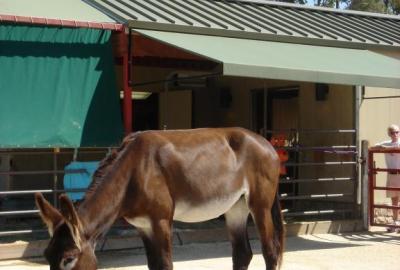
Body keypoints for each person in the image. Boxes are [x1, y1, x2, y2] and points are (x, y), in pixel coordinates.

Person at [374, 124, 400, 232]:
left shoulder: (397, 143)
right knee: (394, 199)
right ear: (389, 134)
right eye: (393, 132)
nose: (395, 134)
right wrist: (382, 147)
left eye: (397, 132)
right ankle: (396, 222)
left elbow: (397, 148)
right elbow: (373, 146)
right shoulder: (386, 144)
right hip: (392, 174)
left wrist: (386, 148)